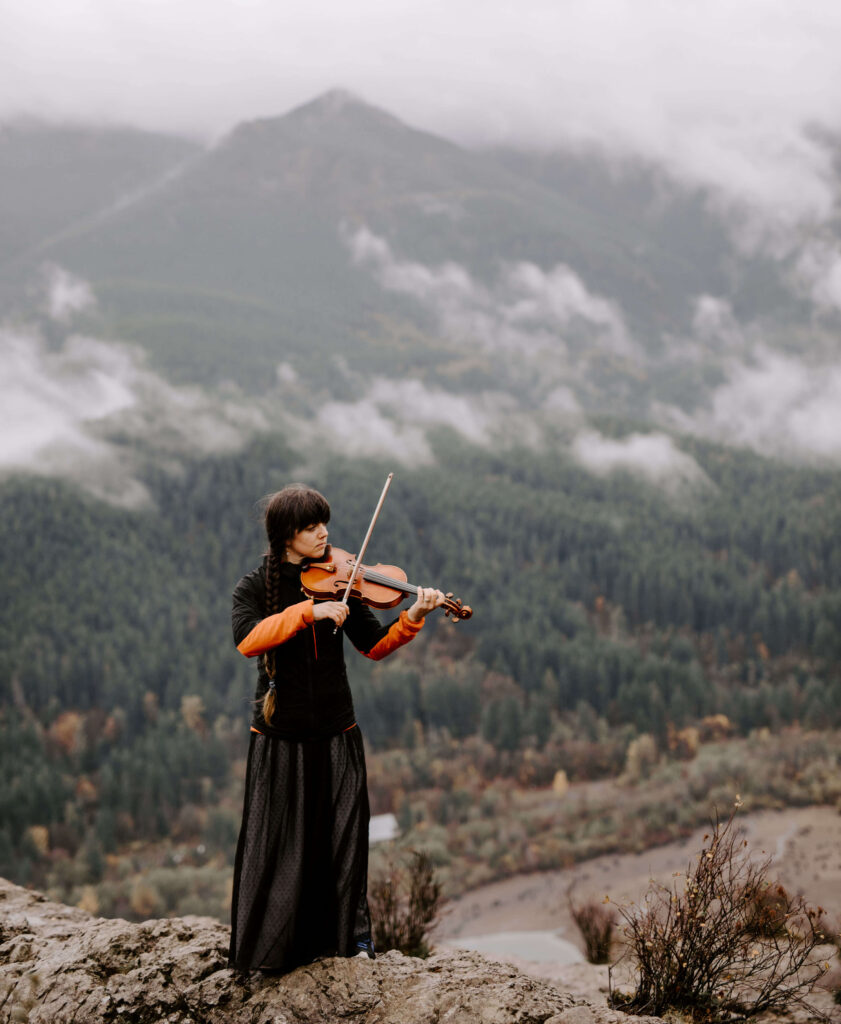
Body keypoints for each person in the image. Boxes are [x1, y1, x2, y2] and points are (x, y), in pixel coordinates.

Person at [228, 483, 444, 973]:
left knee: (341, 836)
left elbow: (374, 644)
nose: (323, 532)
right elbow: (248, 641)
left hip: (335, 729)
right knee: (281, 841)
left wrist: (412, 615)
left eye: (323, 521)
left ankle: (349, 938)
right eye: (310, 526)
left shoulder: (341, 578)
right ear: (286, 534)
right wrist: (310, 612)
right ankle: (275, 945)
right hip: (279, 735)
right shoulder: (254, 587)